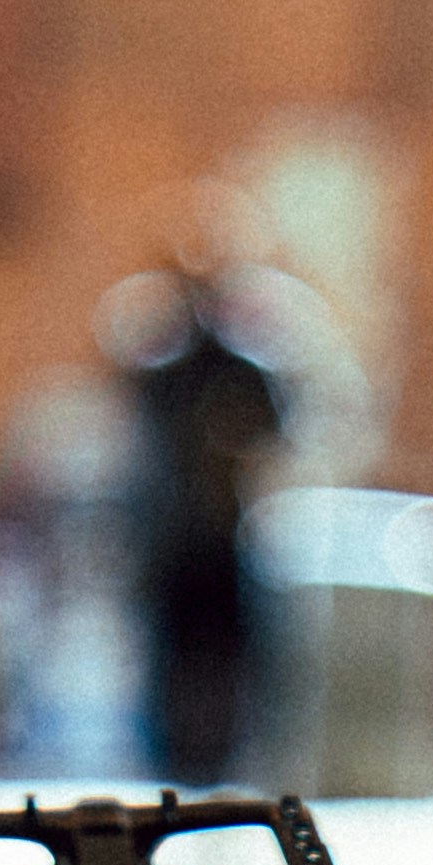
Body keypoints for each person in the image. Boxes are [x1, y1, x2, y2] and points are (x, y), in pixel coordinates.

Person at [108, 272, 286, 777]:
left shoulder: (242, 376)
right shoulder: (165, 380)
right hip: (177, 539)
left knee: (226, 652)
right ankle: (175, 753)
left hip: (222, 538)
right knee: (174, 654)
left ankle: (221, 752)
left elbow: (271, 433)